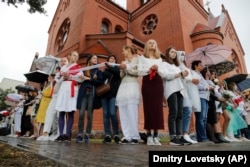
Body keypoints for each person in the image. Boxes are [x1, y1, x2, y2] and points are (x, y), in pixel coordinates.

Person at [138, 39, 164, 145]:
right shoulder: (142, 58)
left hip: (158, 82)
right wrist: (149, 69)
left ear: (156, 46)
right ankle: (149, 136)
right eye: (150, 42)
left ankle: (156, 136)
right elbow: (139, 71)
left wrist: (157, 69)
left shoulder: (160, 59)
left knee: (158, 109)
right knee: (148, 108)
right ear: (146, 46)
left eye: (154, 42)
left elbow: (163, 73)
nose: (152, 43)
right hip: (147, 82)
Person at [161, 47, 189, 146]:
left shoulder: (177, 66)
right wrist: (179, 74)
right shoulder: (164, 64)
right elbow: (166, 76)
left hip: (180, 90)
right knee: (174, 112)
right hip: (171, 90)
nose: (174, 53)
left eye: (175, 52)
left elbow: (181, 80)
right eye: (172, 52)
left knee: (180, 114)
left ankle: (179, 136)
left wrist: (184, 75)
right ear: (167, 53)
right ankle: (172, 137)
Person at [37, 58, 68, 141]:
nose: (63, 62)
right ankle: (46, 133)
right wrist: (53, 80)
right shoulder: (57, 75)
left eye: (65, 61)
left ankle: (61, 133)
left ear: (68, 63)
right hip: (55, 96)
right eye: (61, 61)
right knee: (49, 113)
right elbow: (53, 87)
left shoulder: (67, 72)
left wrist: (59, 78)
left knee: (60, 115)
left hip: (62, 95)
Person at [55, 51, 83, 142]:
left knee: (70, 111)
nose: (76, 57)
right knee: (61, 111)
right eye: (74, 55)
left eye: (77, 56)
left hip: (71, 88)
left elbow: (80, 79)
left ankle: (67, 135)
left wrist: (70, 77)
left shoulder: (78, 67)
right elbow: (57, 79)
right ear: (69, 56)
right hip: (63, 89)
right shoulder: (63, 68)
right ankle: (61, 134)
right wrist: (63, 77)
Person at [116, 45, 141, 144]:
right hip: (123, 86)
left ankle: (134, 135)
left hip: (132, 85)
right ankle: (127, 136)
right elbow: (121, 76)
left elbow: (137, 73)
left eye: (124, 50)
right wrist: (122, 68)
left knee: (132, 111)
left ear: (129, 50)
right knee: (123, 111)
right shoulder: (124, 62)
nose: (123, 52)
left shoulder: (137, 60)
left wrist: (127, 68)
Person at [76, 54, 103, 143]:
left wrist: (88, 79)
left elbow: (99, 82)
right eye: (94, 58)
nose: (96, 59)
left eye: (96, 58)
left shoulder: (98, 71)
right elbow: (79, 81)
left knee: (89, 115)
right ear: (89, 59)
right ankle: (80, 134)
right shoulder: (84, 70)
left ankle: (87, 134)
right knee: (81, 114)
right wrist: (80, 78)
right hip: (84, 93)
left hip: (92, 93)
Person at [177, 51, 199, 144]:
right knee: (185, 111)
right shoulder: (177, 66)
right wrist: (191, 79)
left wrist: (194, 79)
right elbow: (180, 76)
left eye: (184, 55)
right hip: (182, 89)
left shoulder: (186, 67)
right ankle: (183, 133)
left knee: (187, 112)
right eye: (181, 55)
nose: (183, 56)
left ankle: (185, 133)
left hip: (189, 90)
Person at [100, 55, 121, 144]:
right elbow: (101, 80)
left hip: (113, 95)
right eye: (110, 59)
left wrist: (110, 67)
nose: (112, 60)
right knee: (105, 114)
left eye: (113, 58)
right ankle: (107, 135)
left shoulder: (117, 69)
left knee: (113, 113)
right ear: (108, 60)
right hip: (104, 95)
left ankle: (116, 134)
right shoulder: (105, 71)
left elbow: (117, 74)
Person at [191, 60, 212, 142]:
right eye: (200, 65)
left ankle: (203, 136)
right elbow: (197, 84)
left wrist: (207, 81)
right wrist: (206, 87)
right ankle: (201, 137)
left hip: (205, 97)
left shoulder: (200, 75)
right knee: (200, 117)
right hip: (199, 97)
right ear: (195, 66)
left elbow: (205, 84)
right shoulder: (193, 73)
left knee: (204, 118)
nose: (202, 66)